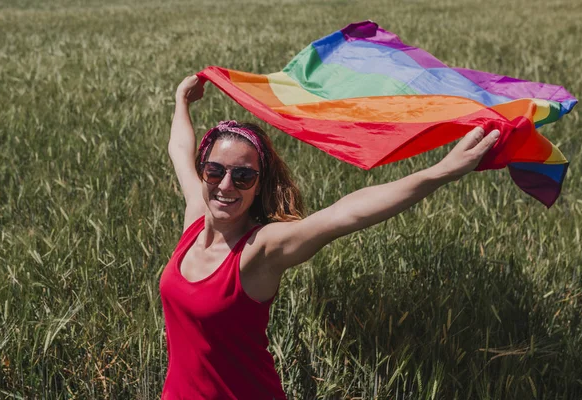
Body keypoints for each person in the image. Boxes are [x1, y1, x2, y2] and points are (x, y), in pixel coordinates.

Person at [159, 75, 501, 399]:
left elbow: (344, 214)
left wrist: (441, 171)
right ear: (203, 170)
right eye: (215, 171)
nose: (225, 185)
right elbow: (178, 149)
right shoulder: (195, 218)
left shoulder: (260, 249)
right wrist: (181, 100)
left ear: (259, 185)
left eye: (243, 176)